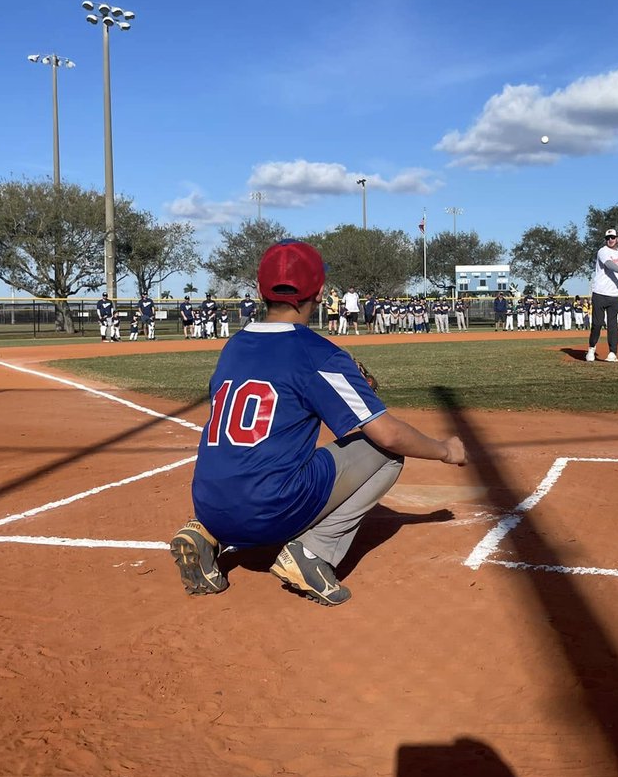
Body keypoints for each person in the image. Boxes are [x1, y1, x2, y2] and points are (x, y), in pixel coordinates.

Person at [169, 240, 467, 605]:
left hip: (207, 505)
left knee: (250, 461)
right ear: (321, 292)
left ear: (260, 290)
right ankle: (313, 554)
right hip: (269, 514)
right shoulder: (318, 352)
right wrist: (445, 451)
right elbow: (388, 434)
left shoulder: (234, 345)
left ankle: (206, 535)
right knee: (386, 452)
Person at [586, 229, 618, 362]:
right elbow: (609, 265)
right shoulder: (602, 251)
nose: (610, 240)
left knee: (613, 325)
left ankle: (613, 353)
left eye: (613, 237)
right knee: (597, 323)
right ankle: (591, 348)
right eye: (608, 237)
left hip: (615, 295)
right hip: (600, 292)